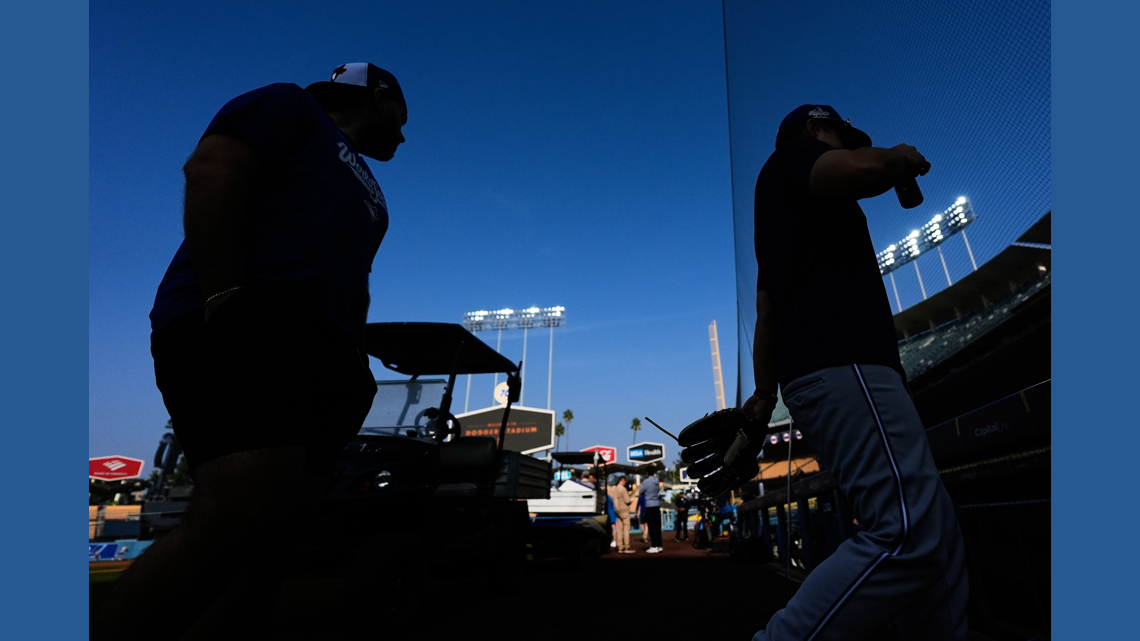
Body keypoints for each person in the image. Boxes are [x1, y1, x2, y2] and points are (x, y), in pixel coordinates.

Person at [92, 63, 408, 640]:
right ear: (378, 99)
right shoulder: (290, 106)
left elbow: (355, 281)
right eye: (402, 118)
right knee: (240, 513)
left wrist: (356, 360)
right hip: (247, 319)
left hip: (328, 354)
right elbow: (213, 168)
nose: (405, 136)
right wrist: (226, 294)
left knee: (279, 536)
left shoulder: (377, 199)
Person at [735, 104, 970, 639]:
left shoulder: (777, 211)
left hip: (821, 372)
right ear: (818, 130)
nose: (846, 146)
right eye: (842, 137)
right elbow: (858, 171)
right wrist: (897, 158)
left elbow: (767, 314)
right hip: (844, 362)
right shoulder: (797, 156)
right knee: (906, 531)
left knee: (936, 529)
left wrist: (765, 390)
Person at [638, 470, 663, 553]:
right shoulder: (657, 481)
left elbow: (640, 491)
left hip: (649, 505)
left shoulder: (646, 482)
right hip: (657, 504)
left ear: (647, 473)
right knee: (657, 526)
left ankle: (654, 545)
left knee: (651, 526)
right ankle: (659, 545)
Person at [610, 476, 635, 553]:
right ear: (623, 481)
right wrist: (631, 500)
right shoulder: (623, 489)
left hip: (618, 510)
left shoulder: (615, 489)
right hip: (624, 510)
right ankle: (627, 546)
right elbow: (627, 500)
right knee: (626, 528)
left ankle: (620, 547)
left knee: (619, 529)